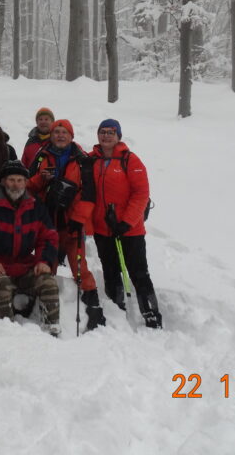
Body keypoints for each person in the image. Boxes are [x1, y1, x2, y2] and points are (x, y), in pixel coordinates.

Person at [0, 160, 61, 336]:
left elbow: (49, 236)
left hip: (24, 265)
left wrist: (44, 261)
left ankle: (51, 329)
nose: (16, 185)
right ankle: (7, 331)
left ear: (26, 182)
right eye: (11, 180)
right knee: (2, 285)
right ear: (3, 181)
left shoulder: (35, 205)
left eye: (20, 180)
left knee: (48, 282)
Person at [26, 119, 104, 330]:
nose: (60, 135)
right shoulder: (41, 156)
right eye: (56, 132)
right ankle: (42, 300)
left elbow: (89, 194)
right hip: (48, 221)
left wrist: (79, 219)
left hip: (72, 222)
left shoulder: (82, 160)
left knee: (79, 266)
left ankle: (93, 303)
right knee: (46, 263)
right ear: (51, 135)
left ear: (71, 136)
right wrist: (41, 179)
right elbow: (28, 187)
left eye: (64, 132)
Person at [89, 119, 161, 328]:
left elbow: (141, 194)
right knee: (110, 271)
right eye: (102, 132)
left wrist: (126, 222)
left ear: (118, 136)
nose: (106, 136)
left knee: (139, 273)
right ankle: (116, 309)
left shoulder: (130, 160)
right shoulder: (92, 159)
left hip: (130, 230)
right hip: (103, 229)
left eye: (111, 132)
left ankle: (151, 314)